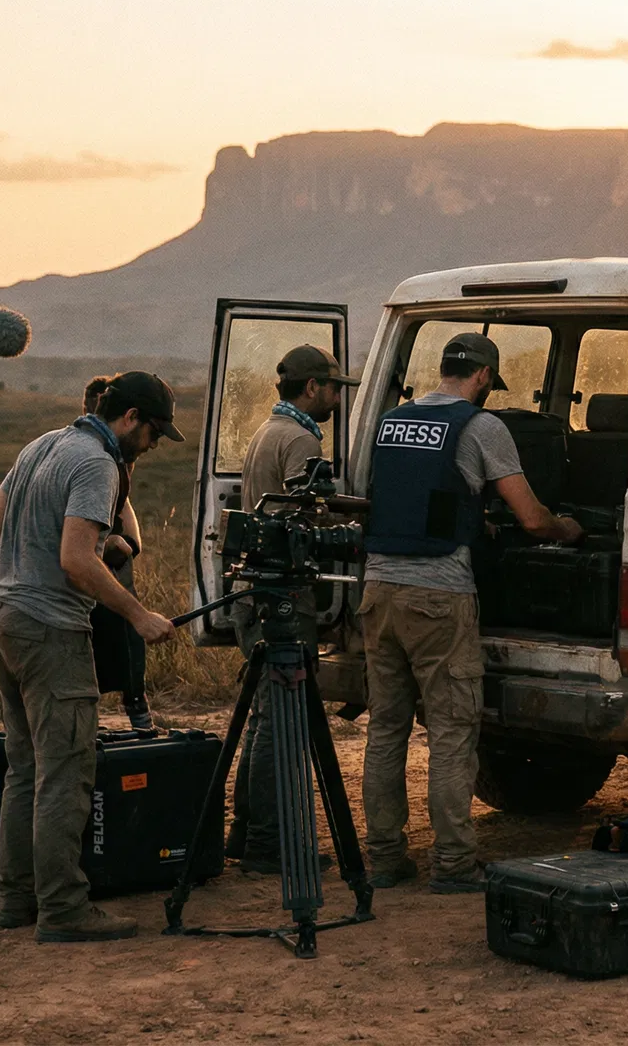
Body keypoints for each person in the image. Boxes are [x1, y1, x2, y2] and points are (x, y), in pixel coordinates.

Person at [360, 332, 582, 894]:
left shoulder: (391, 421)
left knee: (386, 729)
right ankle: (454, 864)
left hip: (378, 589)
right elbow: (530, 518)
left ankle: (384, 857)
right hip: (438, 596)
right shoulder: (481, 426)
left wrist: (465, 520)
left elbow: (408, 496)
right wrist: (566, 530)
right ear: (483, 376)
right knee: (453, 732)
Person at [0, 371, 180, 943]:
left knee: (25, 767)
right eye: (155, 432)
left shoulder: (43, 444)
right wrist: (137, 616)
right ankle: (64, 909)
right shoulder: (97, 463)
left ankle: (17, 900)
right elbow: (75, 560)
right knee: (66, 772)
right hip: (48, 630)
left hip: (1, 615)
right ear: (131, 417)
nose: (155, 444)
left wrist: (46, 560)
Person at [228, 344, 359, 874]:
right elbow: (307, 521)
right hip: (282, 598)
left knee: (262, 717)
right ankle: (270, 844)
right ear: (312, 388)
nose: (335, 398)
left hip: (255, 594)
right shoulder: (301, 438)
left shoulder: (267, 431)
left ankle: (248, 832)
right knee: (284, 719)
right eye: (332, 388)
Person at [81, 376, 152, 731]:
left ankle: (138, 710)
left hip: (112, 547)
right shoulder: (88, 455)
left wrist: (132, 544)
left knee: (127, 638)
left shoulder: (121, 453)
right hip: (89, 550)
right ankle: (88, 722)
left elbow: (123, 502)